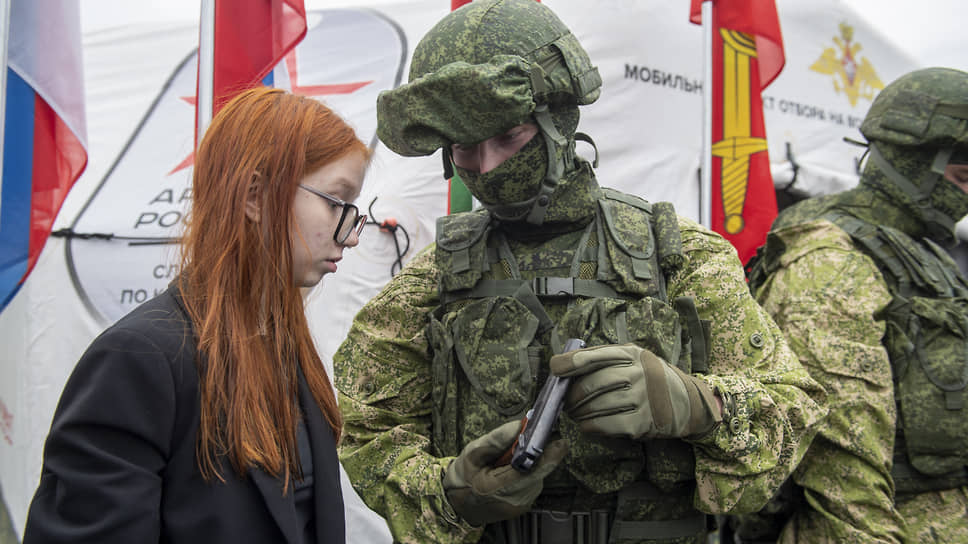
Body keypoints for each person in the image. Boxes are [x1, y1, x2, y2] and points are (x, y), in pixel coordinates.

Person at [332, 1, 826, 543]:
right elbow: (369, 432)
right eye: (465, 149)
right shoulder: (433, 281)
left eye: (509, 138)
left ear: (558, 121)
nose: (488, 167)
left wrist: (695, 405)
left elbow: (794, 412)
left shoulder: (678, 255)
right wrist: (448, 491)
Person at [22, 86, 370, 543]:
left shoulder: (288, 350)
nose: (352, 236)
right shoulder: (140, 360)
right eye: (335, 202)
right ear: (255, 197)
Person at [742, 67, 968, 543]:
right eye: (962, 175)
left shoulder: (926, 254)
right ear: (910, 162)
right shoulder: (830, 256)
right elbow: (839, 456)